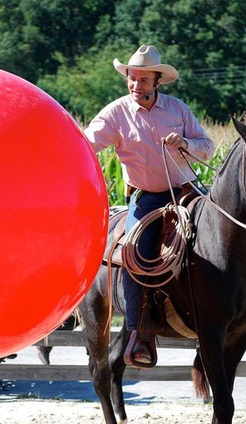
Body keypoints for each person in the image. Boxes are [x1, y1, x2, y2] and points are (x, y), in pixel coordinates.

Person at [83, 45, 215, 366]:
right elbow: (86, 144)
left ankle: (244, 311)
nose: (135, 85)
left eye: (143, 79)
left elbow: (207, 148)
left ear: (158, 81)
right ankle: (139, 332)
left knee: (226, 234)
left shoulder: (178, 110)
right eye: (132, 78)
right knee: (134, 253)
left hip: (188, 190)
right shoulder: (115, 113)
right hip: (147, 195)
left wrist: (185, 143)